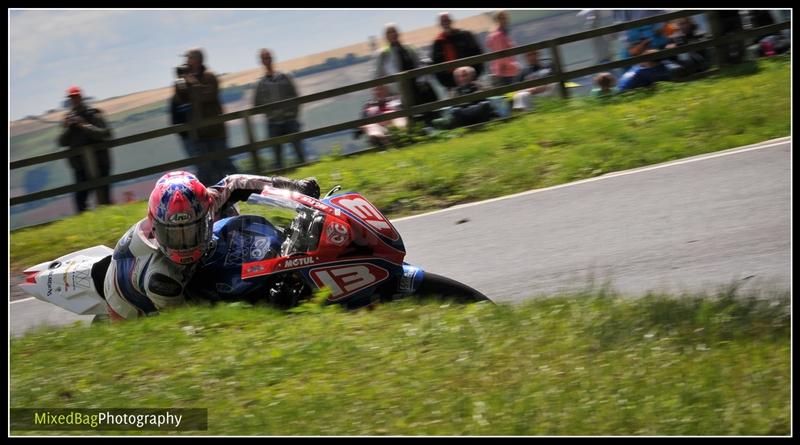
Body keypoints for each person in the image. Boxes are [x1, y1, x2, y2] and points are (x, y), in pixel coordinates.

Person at [102, 171, 321, 320]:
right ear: (157, 227)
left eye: (191, 231)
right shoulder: (161, 279)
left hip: (183, 264)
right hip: (134, 307)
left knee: (230, 219)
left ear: (205, 214)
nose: (185, 244)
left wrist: (292, 187)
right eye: (174, 236)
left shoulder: (204, 202)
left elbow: (236, 183)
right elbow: (192, 323)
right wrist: (262, 304)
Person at [172, 47, 237, 185]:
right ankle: (210, 200)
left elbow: (208, 96)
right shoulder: (187, 81)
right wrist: (180, 84)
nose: (186, 62)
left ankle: (239, 190)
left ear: (197, 60)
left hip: (215, 131)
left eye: (189, 58)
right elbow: (181, 100)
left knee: (224, 165)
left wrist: (193, 83)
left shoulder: (210, 76)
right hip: (199, 134)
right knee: (205, 170)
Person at [57, 86, 113, 213]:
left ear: (81, 97)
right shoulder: (69, 119)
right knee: (80, 201)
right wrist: (68, 127)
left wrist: (84, 125)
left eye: (76, 97)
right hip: (80, 166)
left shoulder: (93, 114)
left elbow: (105, 133)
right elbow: (61, 142)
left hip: (100, 162)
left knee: (104, 198)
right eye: (72, 98)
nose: (74, 100)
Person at [374, 23, 440, 125]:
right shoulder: (383, 53)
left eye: (394, 31)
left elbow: (423, 60)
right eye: (389, 32)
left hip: (418, 85)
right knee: (410, 116)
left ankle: (434, 126)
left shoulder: (409, 47)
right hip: (399, 91)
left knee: (429, 108)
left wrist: (423, 76)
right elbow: (377, 75)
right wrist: (382, 94)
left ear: (398, 33)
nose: (393, 34)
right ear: (385, 36)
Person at [253, 48, 307, 170]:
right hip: (273, 123)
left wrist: (293, 113)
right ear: (261, 61)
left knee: (299, 151)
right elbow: (256, 104)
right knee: (277, 158)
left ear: (272, 59)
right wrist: (269, 112)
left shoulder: (285, 77)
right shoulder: (260, 84)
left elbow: (295, 96)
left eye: (268, 58)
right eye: (264, 58)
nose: (267, 61)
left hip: (290, 120)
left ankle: (306, 175)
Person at [431, 12, 485, 92]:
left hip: (472, 79)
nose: (446, 23)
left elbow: (478, 53)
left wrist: (475, 75)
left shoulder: (465, 35)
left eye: (447, 20)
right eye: (443, 21)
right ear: (440, 24)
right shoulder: (438, 42)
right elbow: (436, 64)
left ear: (451, 21)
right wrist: (447, 83)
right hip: (452, 84)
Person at [353, 84, 406, 149]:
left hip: (393, 121)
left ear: (387, 89)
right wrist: (359, 129)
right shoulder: (368, 105)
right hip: (378, 126)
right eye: (375, 90)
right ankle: (380, 139)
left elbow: (403, 110)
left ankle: (399, 135)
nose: (378, 92)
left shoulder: (396, 99)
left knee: (398, 118)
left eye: (381, 89)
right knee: (371, 125)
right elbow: (362, 121)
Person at [485, 10, 520, 87]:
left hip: (506, 72)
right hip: (504, 73)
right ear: (496, 20)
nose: (504, 20)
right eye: (501, 18)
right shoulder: (497, 35)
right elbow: (501, 56)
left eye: (505, 18)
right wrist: (514, 66)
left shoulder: (503, 33)